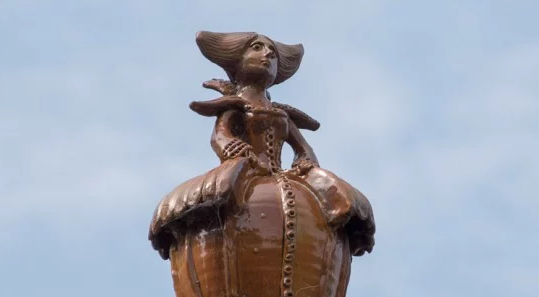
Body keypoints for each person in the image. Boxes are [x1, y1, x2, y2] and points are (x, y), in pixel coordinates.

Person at [149, 31, 375, 258]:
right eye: (257, 48)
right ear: (237, 61)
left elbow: (302, 146)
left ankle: (346, 218)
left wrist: (304, 158)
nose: (267, 54)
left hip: (280, 173)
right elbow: (219, 135)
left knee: (332, 189)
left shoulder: (281, 115)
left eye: (273, 53)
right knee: (223, 189)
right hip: (247, 163)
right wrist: (229, 146)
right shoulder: (236, 107)